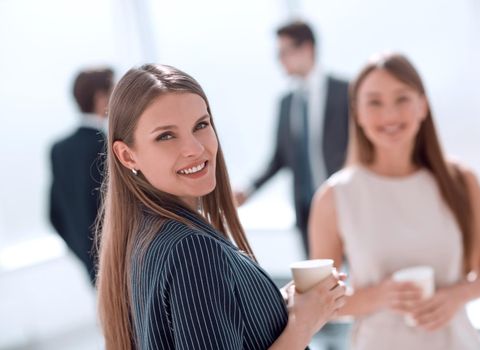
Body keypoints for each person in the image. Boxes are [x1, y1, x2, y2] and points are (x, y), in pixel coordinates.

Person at [96, 64, 346, 350]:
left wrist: (277, 305)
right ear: (127, 156)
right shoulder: (192, 250)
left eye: (201, 125)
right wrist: (303, 323)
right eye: (166, 135)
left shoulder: (143, 238)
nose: (195, 148)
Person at [308, 53, 480, 349]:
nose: (389, 115)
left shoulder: (461, 180)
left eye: (402, 99)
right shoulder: (335, 197)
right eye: (374, 102)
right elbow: (316, 300)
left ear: (422, 105)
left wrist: (456, 296)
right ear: (357, 113)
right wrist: (378, 297)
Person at [235, 20, 349, 256]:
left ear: (307, 48)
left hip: (347, 203)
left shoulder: (345, 91)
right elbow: (279, 158)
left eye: (284, 52)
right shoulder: (287, 103)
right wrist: (249, 189)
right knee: (320, 280)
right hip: (307, 211)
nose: (280, 60)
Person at [50, 67, 114, 284]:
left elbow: (54, 215)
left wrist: (86, 257)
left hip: (93, 267)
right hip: (122, 262)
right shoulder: (107, 146)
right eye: (114, 90)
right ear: (100, 97)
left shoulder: (59, 150)